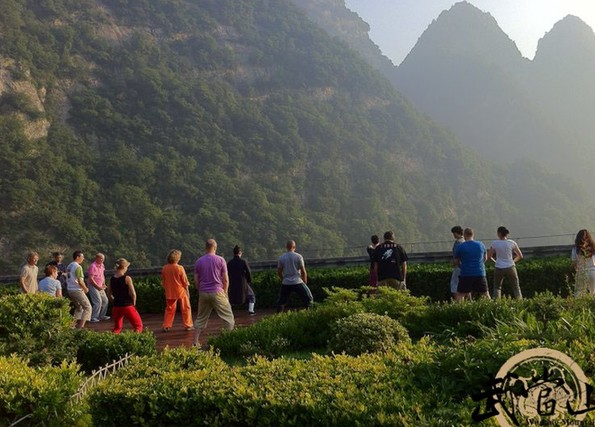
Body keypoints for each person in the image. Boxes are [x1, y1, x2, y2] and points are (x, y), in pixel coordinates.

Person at [192, 239, 235, 347]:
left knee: (201, 317)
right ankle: (228, 340)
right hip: (217, 291)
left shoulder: (199, 261)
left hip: (203, 292)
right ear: (215, 247)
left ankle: (195, 342)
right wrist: (224, 292)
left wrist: (200, 290)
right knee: (228, 317)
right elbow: (225, 279)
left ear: (205, 248)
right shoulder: (220, 260)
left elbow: (196, 280)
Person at [107, 258, 143, 334]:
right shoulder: (127, 278)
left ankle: (111, 340)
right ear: (124, 267)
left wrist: (113, 302)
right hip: (127, 305)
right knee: (138, 326)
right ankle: (134, 341)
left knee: (117, 328)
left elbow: (109, 294)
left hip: (116, 306)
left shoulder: (111, 279)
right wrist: (134, 303)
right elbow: (133, 293)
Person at [276, 240, 313, 312]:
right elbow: (303, 271)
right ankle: (309, 313)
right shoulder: (298, 256)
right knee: (309, 298)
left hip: (286, 282)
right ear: (294, 247)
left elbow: (279, 271)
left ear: (286, 247)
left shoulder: (282, 257)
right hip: (297, 281)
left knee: (281, 301)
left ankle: (278, 316)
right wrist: (304, 282)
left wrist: (283, 279)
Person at [454, 228, 490, 301]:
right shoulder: (481, 245)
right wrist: (479, 265)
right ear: (473, 234)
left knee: (460, 295)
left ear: (464, 235)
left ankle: (459, 311)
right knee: (485, 294)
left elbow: (456, 261)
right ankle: (492, 310)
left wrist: (462, 266)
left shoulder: (460, 247)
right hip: (480, 273)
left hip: (466, 274)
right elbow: (485, 258)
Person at [161, 249, 193, 332]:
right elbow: (185, 282)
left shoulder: (165, 268)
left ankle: (166, 325)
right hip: (180, 291)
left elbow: (164, 281)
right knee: (186, 308)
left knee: (169, 309)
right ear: (177, 258)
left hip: (169, 291)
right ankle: (188, 325)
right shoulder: (180, 268)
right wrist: (187, 292)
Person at [487, 226, 523, 299]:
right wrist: (513, 261)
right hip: (510, 266)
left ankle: (497, 304)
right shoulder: (512, 243)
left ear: (499, 233)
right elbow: (520, 256)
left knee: (497, 287)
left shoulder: (495, 243)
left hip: (499, 267)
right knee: (516, 287)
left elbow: (489, 256)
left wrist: (496, 262)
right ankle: (520, 302)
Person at [66, 250, 92, 328]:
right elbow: (80, 281)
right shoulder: (78, 267)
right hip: (76, 290)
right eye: (82, 257)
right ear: (77, 257)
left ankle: (72, 325)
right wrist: (85, 288)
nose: (83, 258)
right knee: (87, 307)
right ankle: (81, 327)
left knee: (79, 308)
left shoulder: (69, 265)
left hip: (70, 289)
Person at [227, 245, 256, 315]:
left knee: (231, 298)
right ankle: (251, 311)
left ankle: (229, 312)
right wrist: (249, 281)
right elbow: (248, 272)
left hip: (233, 283)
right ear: (240, 253)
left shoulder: (229, 263)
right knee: (251, 296)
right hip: (243, 282)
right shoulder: (243, 262)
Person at [571, 229, 595, 297]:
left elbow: (574, 263)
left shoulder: (575, 249)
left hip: (581, 271)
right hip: (593, 272)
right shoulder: (593, 247)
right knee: (593, 294)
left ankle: (579, 307)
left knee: (578, 293)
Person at [88, 253, 110, 322]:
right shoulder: (93, 266)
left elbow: (102, 275)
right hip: (93, 286)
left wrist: (103, 283)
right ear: (97, 258)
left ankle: (102, 316)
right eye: (101, 259)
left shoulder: (102, 265)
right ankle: (94, 317)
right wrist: (97, 287)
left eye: (103, 259)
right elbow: (91, 279)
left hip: (100, 286)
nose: (102, 260)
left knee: (105, 300)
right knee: (97, 301)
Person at [450, 226, 465, 298]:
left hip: (458, 266)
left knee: (454, 284)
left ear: (456, 233)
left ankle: (458, 301)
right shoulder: (465, 241)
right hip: (464, 266)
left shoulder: (458, 242)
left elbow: (456, 256)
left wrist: (454, 263)